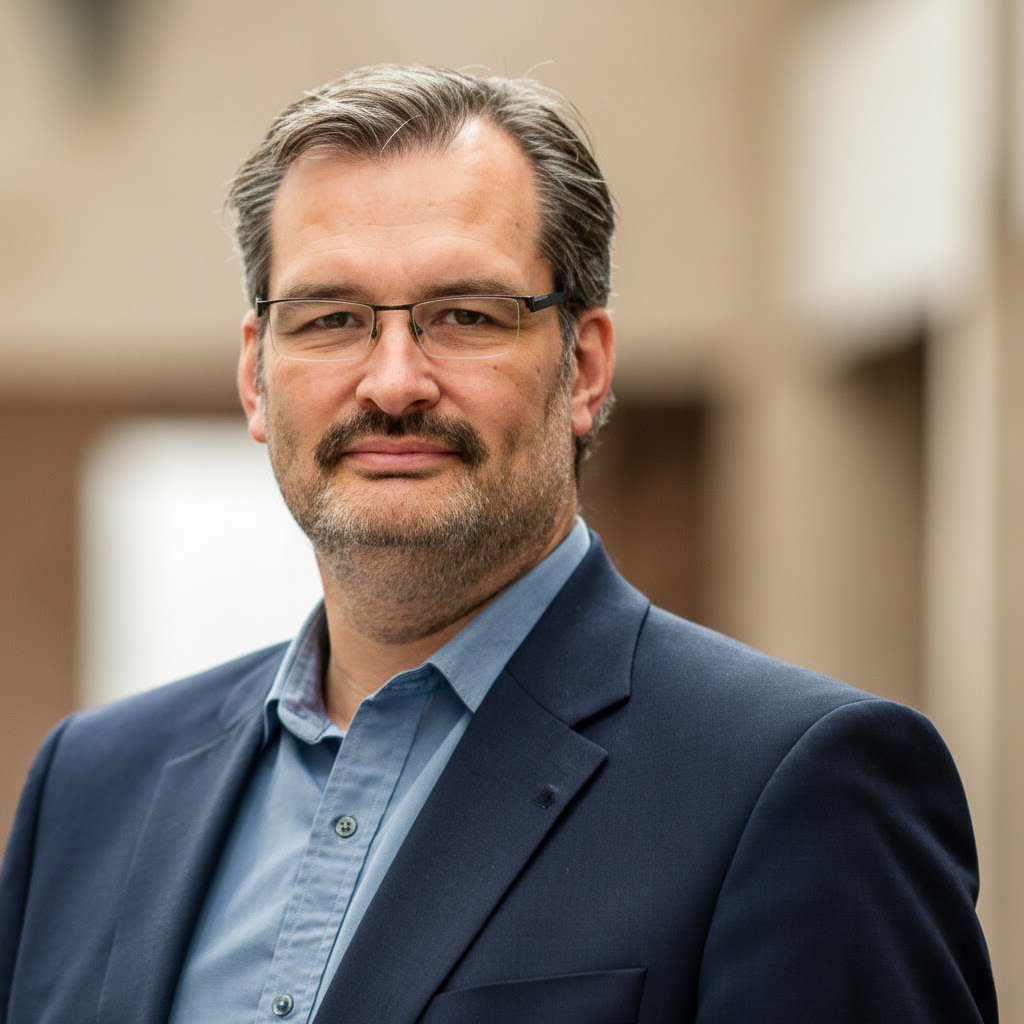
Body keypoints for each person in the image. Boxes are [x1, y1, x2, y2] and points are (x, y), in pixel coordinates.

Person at [0, 65, 997, 1024]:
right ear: (258, 379)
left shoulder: (800, 788)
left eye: (465, 315)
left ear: (586, 368)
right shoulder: (90, 789)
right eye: (332, 317)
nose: (392, 382)